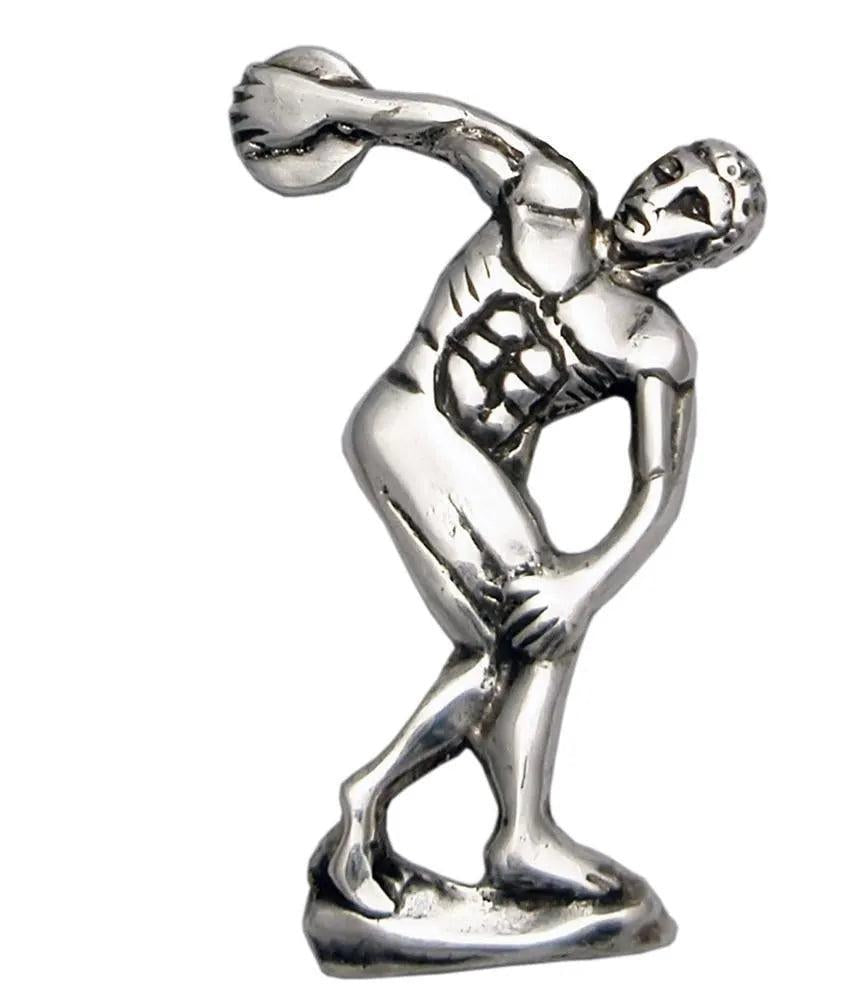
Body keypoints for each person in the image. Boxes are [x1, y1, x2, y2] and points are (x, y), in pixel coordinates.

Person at [231, 48, 766, 917]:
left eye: (692, 205)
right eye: (670, 171)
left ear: (706, 251)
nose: (660, 194)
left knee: (528, 638)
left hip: (474, 471)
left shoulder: (654, 342)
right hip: (410, 418)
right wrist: (330, 104)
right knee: (520, 637)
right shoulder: (551, 199)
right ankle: (400, 810)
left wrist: (585, 584)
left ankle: (498, 830)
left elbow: (658, 484)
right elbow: (451, 129)